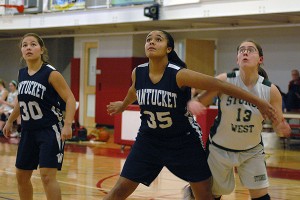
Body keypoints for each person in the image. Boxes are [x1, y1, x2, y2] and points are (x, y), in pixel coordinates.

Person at [105, 30, 278, 200]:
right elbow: (134, 90)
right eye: (148, 39)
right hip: (148, 141)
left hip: (182, 142)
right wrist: (123, 105)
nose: (151, 42)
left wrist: (259, 101)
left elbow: (220, 85)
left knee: (204, 196)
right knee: (118, 191)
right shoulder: (138, 72)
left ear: (168, 49)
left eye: (158, 39)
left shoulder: (179, 74)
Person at [185, 39, 291, 200]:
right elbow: (201, 101)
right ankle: (192, 192)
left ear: (260, 59)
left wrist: (281, 129)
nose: (245, 52)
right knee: (214, 193)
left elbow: (278, 123)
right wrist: (194, 103)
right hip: (220, 149)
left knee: (261, 195)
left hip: (252, 150)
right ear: (237, 59)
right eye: (241, 50)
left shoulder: (271, 90)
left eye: (250, 50)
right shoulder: (225, 80)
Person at [2, 33, 76, 200]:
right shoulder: (22, 74)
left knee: (47, 176)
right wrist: (10, 120)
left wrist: (68, 124)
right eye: (25, 45)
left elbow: (70, 99)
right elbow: (22, 101)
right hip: (28, 130)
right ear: (21, 50)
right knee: (21, 175)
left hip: (49, 129)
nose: (28, 47)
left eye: (33, 44)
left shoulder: (51, 73)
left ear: (41, 49)